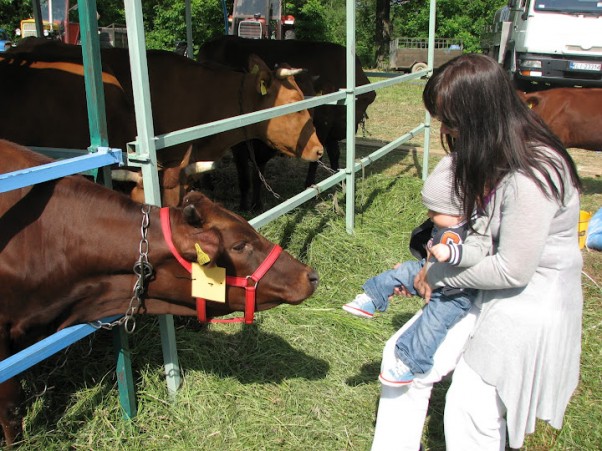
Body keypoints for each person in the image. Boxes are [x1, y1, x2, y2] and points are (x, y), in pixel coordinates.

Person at [371, 53, 583, 451]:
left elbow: (513, 270)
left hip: (528, 298)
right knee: (399, 359)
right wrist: (436, 263)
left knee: (473, 406)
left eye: (451, 120)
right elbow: (482, 237)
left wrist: (436, 276)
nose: (446, 129)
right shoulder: (499, 152)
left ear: (479, 115)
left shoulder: (532, 173)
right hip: (484, 282)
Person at [342, 154, 490, 386]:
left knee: (432, 323)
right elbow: (429, 247)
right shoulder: (446, 221)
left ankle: (411, 363)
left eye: (435, 211)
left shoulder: (475, 225)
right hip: (428, 269)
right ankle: (371, 297)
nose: (430, 215)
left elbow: (478, 251)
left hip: (455, 293)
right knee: (400, 273)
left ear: (459, 209)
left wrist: (453, 253)